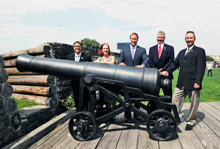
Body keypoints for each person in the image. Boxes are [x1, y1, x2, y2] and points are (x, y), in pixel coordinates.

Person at [161, 31, 206, 131]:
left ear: (194, 39)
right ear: (185, 39)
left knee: (194, 104)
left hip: (193, 82)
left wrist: (198, 81)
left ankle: (191, 121)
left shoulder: (200, 51)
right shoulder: (181, 52)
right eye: (187, 38)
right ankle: (173, 119)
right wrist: (167, 71)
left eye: (191, 38)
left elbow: (201, 68)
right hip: (181, 82)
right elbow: (174, 64)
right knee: (175, 101)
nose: (189, 39)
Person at [118, 32, 148, 122]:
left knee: (137, 96)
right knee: (127, 96)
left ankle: (137, 115)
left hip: (137, 77)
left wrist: (143, 65)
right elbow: (120, 59)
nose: (133, 40)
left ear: (137, 40)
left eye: (135, 39)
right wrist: (121, 63)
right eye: (132, 38)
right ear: (130, 39)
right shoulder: (124, 49)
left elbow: (145, 59)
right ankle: (127, 116)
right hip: (126, 77)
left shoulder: (142, 49)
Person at [148, 31, 174, 111]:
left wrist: (163, 70)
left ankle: (168, 112)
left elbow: (171, 61)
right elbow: (150, 62)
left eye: (161, 37)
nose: (160, 39)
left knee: (168, 95)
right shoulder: (151, 49)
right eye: (158, 37)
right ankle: (152, 111)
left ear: (164, 38)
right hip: (154, 76)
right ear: (156, 38)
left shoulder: (170, 48)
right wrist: (157, 71)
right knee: (153, 95)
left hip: (166, 75)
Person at [67, 41, 92, 111]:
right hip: (74, 81)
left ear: (81, 47)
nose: (77, 48)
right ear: (73, 47)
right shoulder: (70, 57)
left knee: (85, 96)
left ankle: (85, 111)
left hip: (84, 81)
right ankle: (78, 111)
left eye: (79, 46)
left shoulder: (87, 57)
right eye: (76, 46)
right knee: (76, 96)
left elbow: (90, 69)